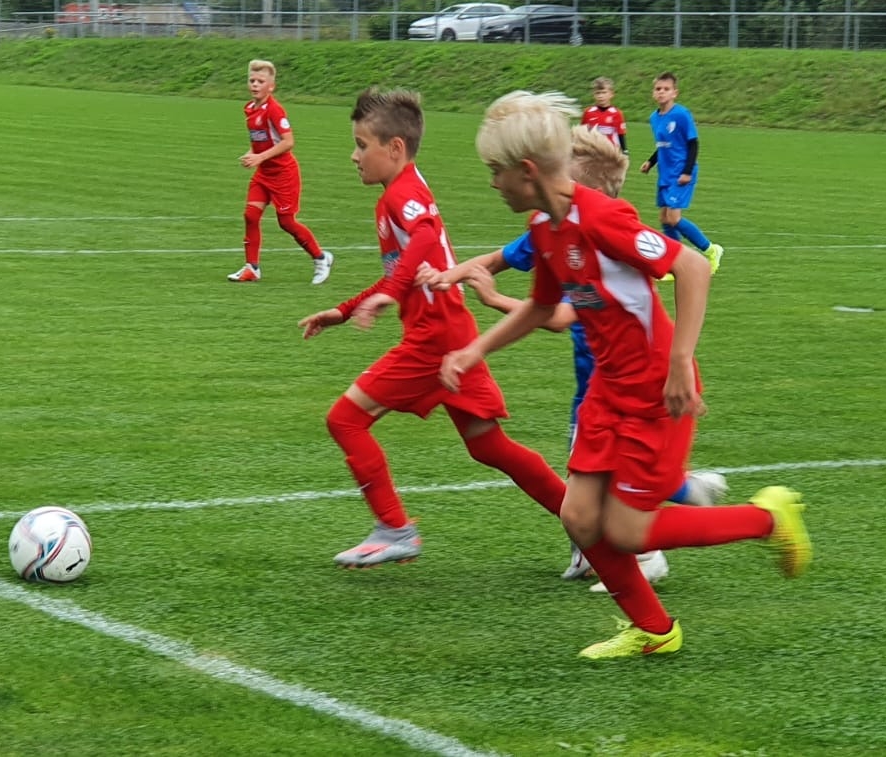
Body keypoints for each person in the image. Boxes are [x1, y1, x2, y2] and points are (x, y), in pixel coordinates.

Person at [442, 91, 812, 659]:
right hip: (607, 391)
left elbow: (692, 266)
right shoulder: (545, 227)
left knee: (628, 532)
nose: (492, 183)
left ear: (527, 171)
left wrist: (681, 361)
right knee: (579, 517)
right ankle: (655, 630)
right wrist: (475, 351)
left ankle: (768, 519)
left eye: (496, 171)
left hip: (654, 392)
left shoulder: (603, 219)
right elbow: (543, 308)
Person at [422, 126, 728, 593]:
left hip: (622, 384)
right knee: (593, 494)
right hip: (600, 383)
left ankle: (643, 556)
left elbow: (560, 316)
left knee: (601, 494)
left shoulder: (598, 228)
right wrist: (453, 275)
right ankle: (679, 501)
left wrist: (492, 302)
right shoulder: (546, 228)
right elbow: (507, 265)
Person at [296, 87, 569, 568]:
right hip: (451, 330)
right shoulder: (401, 192)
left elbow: (422, 236)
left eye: (361, 145)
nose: (354, 156)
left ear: (395, 148)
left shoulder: (403, 194)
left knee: (345, 419)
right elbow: (400, 270)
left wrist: (393, 291)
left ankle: (394, 528)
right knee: (490, 446)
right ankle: (587, 526)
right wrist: (344, 310)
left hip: (434, 338)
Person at [228, 59, 335, 285]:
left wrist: (259, 157)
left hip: (284, 175)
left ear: (271, 86)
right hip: (264, 174)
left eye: (260, 81)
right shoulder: (249, 108)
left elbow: (288, 141)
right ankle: (252, 268)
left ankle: (321, 258)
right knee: (250, 215)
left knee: (286, 222)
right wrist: (251, 153)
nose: (255, 84)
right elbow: (263, 141)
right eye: (252, 80)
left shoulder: (275, 110)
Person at [640, 71, 723, 276]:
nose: (661, 92)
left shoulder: (681, 114)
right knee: (664, 218)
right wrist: (650, 162)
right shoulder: (654, 118)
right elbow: (664, 145)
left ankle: (711, 250)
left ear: (674, 93)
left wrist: (687, 171)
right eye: (658, 89)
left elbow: (693, 144)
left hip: (681, 172)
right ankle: (675, 265)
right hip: (665, 173)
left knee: (673, 218)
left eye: (666, 89)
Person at [580, 77, 627, 156]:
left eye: (604, 92)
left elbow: (621, 135)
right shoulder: (588, 112)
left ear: (611, 94)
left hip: (611, 154)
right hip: (592, 154)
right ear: (593, 94)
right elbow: (582, 134)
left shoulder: (617, 114)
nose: (600, 96)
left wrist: (625, 152)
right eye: (597, 93)